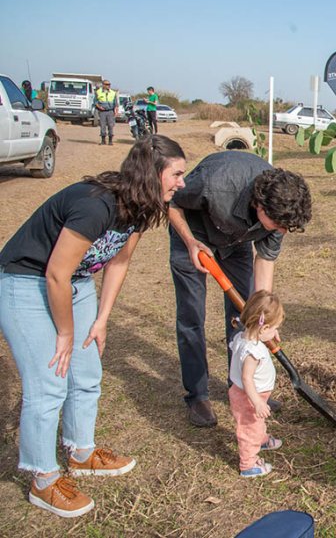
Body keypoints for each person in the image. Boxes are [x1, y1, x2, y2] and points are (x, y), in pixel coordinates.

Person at [0, 136, 187, 517]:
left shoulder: (139, 206)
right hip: (27, 282)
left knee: (86, 372)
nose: (182, 183)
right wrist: (65, 334)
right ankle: (43, 479)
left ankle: (81, 452)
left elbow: (118, 263)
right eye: (177, 174)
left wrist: (101, 320)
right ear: (152, 175)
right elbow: (56, 273)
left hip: (78, 283)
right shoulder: (94, 205)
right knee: (49, 381)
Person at [168, 151, 312, 428]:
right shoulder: (215, 182)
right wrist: (189, 241)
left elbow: (266, 260)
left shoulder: (281, 213)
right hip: (193, 234)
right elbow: (172, 203)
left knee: (244, 317)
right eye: (278, 225)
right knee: (192, 317)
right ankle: (197, 395)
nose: (281, 231)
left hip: (236, 243)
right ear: (259, 204)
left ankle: (243, 386)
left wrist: (264, 316)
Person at [228, 290, 284, 478]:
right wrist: (257, 402)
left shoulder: (245, 335)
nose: (276, 330)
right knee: (248, 427)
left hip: (254, 394)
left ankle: (261, 439)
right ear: (263, 327)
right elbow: (247, 379)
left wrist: (271, 332)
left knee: (255, 422)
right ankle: (248, 464)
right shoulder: (253, 352)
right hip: (249, 396)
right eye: (275, 327)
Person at [94, 79, 118, 145]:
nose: (108, 86)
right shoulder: (98, 92)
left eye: (109, 84)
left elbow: (116, 103)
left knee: (111, 125)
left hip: (110, 111)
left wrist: (116, 111)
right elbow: (95, 102)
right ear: (103, 85)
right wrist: (99, 107)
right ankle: (103, 140)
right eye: (107, 84)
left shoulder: (113, 93)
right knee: (102, 125)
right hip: (102, 112)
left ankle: (110, 141)